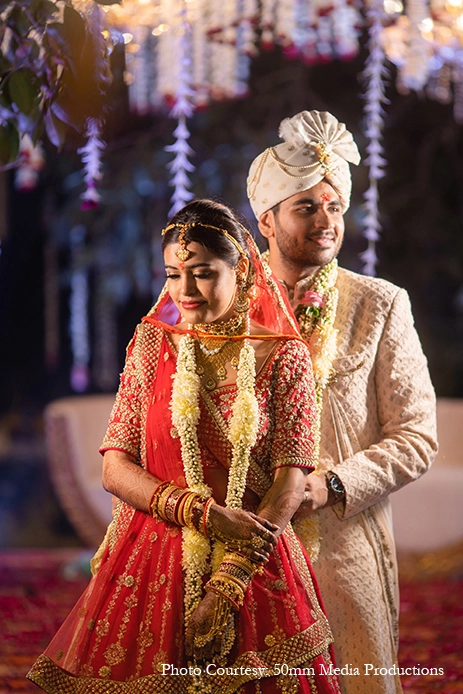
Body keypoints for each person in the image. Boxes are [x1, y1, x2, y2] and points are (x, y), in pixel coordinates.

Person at [27, 199, 342, 694]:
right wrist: (203, 514)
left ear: (241, 270)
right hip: (155, 557)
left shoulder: (285, 356)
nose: (185, 291)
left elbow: (290, 482)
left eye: (203, 273)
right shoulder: (152, 344)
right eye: (174, 274)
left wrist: (230, 580)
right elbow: (115, 467)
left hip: (254, 559)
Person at [246, 110, 438, 694]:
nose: (326, 221)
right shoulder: (227, 304)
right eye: (306, 207)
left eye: (334, 206)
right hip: (245, 544)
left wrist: (327, 485)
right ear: (266, 220)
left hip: (343, 543)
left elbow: (417, 436)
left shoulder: (379, 304)